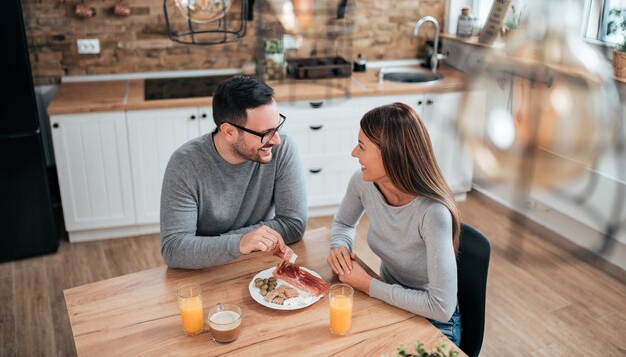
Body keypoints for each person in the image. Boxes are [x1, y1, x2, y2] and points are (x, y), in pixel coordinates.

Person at [326, 102, 462, 345]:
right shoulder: (363, 182)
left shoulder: (432, 213)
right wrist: (340, 247)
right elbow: (343, 223)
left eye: (361, 146)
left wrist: (368, 285)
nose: (354, 153)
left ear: (389, 153)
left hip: (435, 322)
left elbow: (441, 307)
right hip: (388, 298)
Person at [160, 75, 307, 269]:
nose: (276, 140)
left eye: (277, 126)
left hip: (257, 263)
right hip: (206, 270)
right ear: (229, 132)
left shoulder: (283, 149)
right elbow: (174, 250)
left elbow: (293, 225)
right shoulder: (185, 164)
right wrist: (241, 242)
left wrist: (225, 244)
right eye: (265, 133)